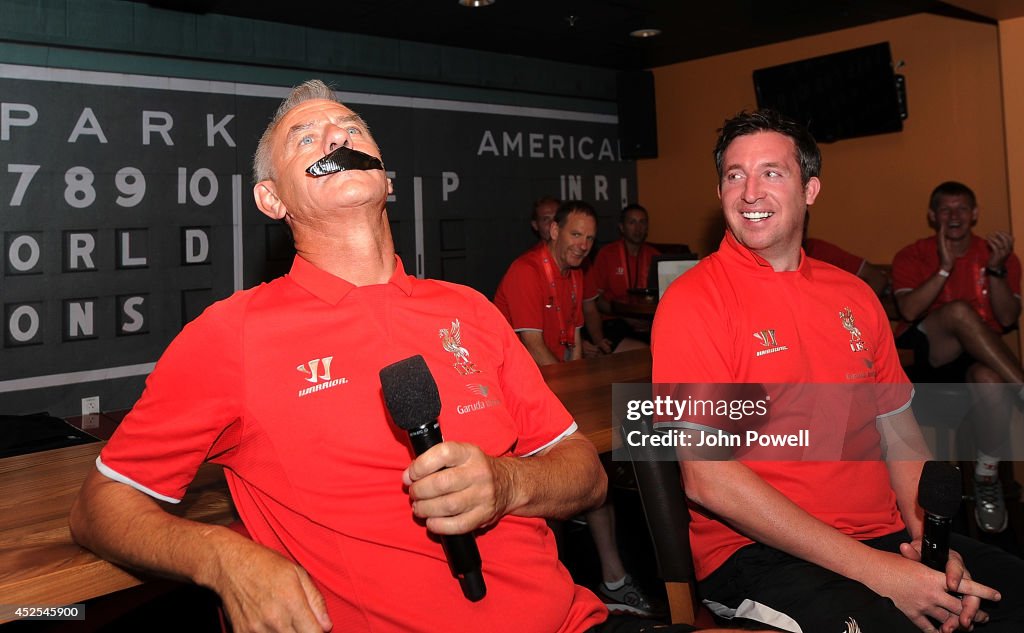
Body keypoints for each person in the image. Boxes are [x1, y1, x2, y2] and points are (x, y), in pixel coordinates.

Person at [69, 80, 613, 633]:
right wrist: (221, 556)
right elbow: (99, 507)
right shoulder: (231, 334)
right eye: (305, 139)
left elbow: (586, 475)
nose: (337, 136)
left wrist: (507, 484)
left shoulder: (468, 309)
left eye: (353, 129)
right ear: (271, 199)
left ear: (387, 178)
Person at [651, 109, 1024, 632]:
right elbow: (709, 480)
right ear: (720, 193)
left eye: (771, 173)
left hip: (885, 539)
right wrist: (882, 573)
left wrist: (927, 548)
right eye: (735, 175)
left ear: (810, 189)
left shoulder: (854, 295)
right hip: (762, 557)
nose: (750, 192)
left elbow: (900, 435)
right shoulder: (694, 301)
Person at [494, 202, 662, 618]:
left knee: (595, 479)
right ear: (552, 230)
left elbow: (573, 340)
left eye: (589, 238)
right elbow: (533, 349)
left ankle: (612, 581)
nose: (583, 246)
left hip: (553, 388)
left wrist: (587, 364)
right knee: (564, 490)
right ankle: (558, 597)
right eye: (575, 235)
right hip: (514, 405)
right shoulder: (526, 272)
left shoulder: (575, 274)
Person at [892, 181, 1023, 534]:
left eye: (962, 208)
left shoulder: (997, 255)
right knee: (960, 311)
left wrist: (996, 270)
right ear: (933, 216)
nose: (954, 216)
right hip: (927, 357)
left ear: (975, 214)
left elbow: (1008, 318)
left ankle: (986, 476)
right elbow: (907, 309)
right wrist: (944, 267)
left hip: (978, 358)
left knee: (991, 380)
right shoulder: (913, 254)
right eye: (946, 209)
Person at [583, 204, 659, 355]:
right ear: (622, 227)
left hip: (649, 322)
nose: (638, 228)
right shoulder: (607, 254)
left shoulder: (655, 255)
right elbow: (597, 300)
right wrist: (626, 317)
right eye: (632, 222)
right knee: (644, 352)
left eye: (642, 222)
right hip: (614, 320)